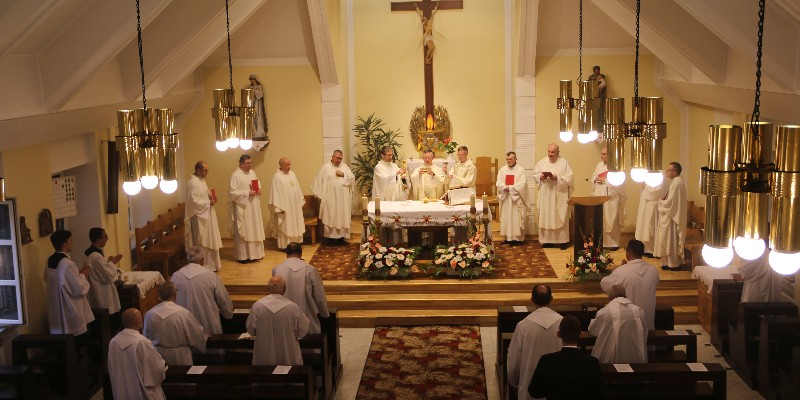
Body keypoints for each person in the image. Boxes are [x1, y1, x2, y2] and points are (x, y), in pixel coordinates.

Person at [507, 284, 563, 400]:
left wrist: (514, 381)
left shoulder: (523, 326)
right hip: (557, 383)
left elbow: (514, 358)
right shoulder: (562, 323)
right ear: (551, 299)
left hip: (529, 383)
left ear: (532, 299)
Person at [529, 315, 603, 400]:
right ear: (581, 335)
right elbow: (598, 394)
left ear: (559, 334)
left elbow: (534, 391)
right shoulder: (592, 363)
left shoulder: (547, 361)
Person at [246, 276, 310, 365]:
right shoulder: (293, 307)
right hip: (288, 355)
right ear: (284, 289)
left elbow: (251, 330)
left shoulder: (257, 306)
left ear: (268, 288)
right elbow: (302, 331)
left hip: (264, 356)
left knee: (265, 376)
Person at [171, 246, 234, 335]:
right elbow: (223, 299)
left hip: (184, 326)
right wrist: (228, 315)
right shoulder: (210, 276)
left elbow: (171, 301)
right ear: (202, 260)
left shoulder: (176, 276)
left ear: (187, 260)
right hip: (208, 324)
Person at [600, 239, 659, 330]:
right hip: (648, 325)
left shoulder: (623, 271)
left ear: (629, 253)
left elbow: (604, 284)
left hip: (628, 327)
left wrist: (620, 269)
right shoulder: (653, 271)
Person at [108, 308, 166, 400]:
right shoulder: (142, 342)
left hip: (121, 391)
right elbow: (156, 368)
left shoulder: (113, 342)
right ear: (138, 322)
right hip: (142, 393)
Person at [143, 282, 207, 366]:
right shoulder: (183, 313)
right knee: (180, 379)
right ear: (174, 295)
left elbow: (145, 338)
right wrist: (203, 337)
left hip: (157, 357)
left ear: (159, 296)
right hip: (179, 357)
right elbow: (196, 335)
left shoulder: (149, 314)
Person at [272, 242, 330, 334]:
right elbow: (319, 296)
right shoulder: (310, 270)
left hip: (283, 318)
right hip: (306, 317)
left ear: (286, 253)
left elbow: (274, 295)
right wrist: (325, 314)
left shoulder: (276, 269)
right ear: (301, 253)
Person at [45, 230, 94, 335]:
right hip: (69, 307)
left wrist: (78, 274)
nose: (72, 243)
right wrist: (83, 274)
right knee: (73, 339)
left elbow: (58, 280)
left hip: (55, 306)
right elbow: (78, 288)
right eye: (70, 241)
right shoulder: (68, 263)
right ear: (64, 243)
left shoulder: (49, 260)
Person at [588, 285, 648, 364]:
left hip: (610, 360)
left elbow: (593, 330)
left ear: (609, 298)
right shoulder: (639, 311)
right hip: (636, 360)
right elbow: (644, 332)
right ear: (625, 296)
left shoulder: (604, 312)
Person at [532, 144, 574, 249]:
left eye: (553, 152)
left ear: (558, 152)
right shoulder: (542, 162)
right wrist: (540, 177)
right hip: (546, 195)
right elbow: (535, 175)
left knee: (559, 215)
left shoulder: (564, 162)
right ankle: (547, 241)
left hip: (558, 195)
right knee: (546, 215)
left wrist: (557, 178)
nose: (550, 154)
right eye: (549, 151)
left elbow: (570, 178)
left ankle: (562, 241)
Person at [185, 161, 223, 271]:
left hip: (207, 215)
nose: (207, 173)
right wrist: (207, 203)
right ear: (198, 170)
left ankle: (212, 265)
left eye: (207, 171)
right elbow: (193, 201)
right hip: (199, 218)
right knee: (202, 241)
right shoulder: (192, 183)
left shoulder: (201, 181)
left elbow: (202, 197)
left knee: (209, 239)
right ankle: (204, 266)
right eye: (205, 171)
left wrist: (211, 197)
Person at [311, 150, 354, 246]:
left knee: (342, 217)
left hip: (343, 199)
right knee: (331, 216)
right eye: (337, 158)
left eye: (340, 158)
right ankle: (331, 239)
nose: (339, 160)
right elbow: (317, 182)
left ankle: (341, 238)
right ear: (332, 157)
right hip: (330, 199)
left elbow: (352, 178)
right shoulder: (325, 168)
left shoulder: (344, 167)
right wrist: (322, 196)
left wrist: (343, 174)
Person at [229, 154, 265, 263]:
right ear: (241, 164)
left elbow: (256, 183)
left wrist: (258, 189)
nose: (250, 165)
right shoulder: (235, 175)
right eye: (247, 163)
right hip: (243, 207)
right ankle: (243, 256)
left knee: (254, 228)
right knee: (245, 229)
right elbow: (232, 193)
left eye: (251, 163)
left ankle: (256, 254)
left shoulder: (252, 173)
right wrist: (247, 193)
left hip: (253, 206)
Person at [591, 147, 626, 249]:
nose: (602, 156)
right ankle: (601, 242)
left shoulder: (618, 166)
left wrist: (605, 180)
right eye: (601, 154)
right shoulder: (599, 165)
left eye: (604, 154)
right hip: (599, 195)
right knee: (601, 219)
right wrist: (595, 179)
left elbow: (620, 183)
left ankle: (613, 243)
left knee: (611, 219)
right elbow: (594, 176)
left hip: (612, 198)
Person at [654, 162, 687, 271]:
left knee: (670, 239)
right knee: (666, 238)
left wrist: (660, 202)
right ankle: (666, 262)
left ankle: (672, 263)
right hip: (670, 215)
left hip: (672, 217)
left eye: (668, 170)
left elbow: (671, 203)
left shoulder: (677, 183)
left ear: (675, 172)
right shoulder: (675, 182)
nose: (666, 172)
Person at [84, 228, 122, 320]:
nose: (107, 238)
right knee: (107, 320)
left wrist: (108, 263)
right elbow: (108, 276)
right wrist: (112, 262)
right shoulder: (96, 257)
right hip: (102, 295)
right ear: (98, 240)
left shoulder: (92, 253)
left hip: (98, 291)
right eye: (105, 236)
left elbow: (101, 270)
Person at [268, 157, 305, 250]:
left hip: (294, 206)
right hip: (285, 207)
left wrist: (300, 200)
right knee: (286, 225)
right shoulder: (277, 177)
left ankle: (295, 244)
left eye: (289, 164)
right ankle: (285, 246)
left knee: (295, 224)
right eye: (287, 165)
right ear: (281, 165)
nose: (289, 167)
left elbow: (297, 188)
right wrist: (279, 208)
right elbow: (275, 194)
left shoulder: (292, 174)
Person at [496, 151, 530, 245]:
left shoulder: (520, 170)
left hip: (516, 199)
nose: (509, 161)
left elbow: (522, 184)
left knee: (516, 217)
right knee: (507, 217)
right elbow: (499, 183)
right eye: (507, 159)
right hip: (506, 198)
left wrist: (510, 188)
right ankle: (508, 238)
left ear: (515, 159)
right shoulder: (502, 170)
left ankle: (518, 239)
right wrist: (504, 187)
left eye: (511, 159)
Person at [634, 178, 668, 256]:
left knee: (651, 226)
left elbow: (657, 191)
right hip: (645, 204)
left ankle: (652, 250)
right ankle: (645, 248)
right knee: (644, 226)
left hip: (652, 204)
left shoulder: (660, 175)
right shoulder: (647, 174)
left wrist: (645, 185)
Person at [247, 74, 269, 140]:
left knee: (259, 117)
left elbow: (260, 94)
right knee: (252, 118)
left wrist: (254, 92)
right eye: (251, 80)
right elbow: (248, 95)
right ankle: (253, 133)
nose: (252, 81)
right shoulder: (249, 87)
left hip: (258, 104)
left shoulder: (259, 86)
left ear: (255, 80)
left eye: (253, 80)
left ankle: (260, 133)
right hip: (251, 104)